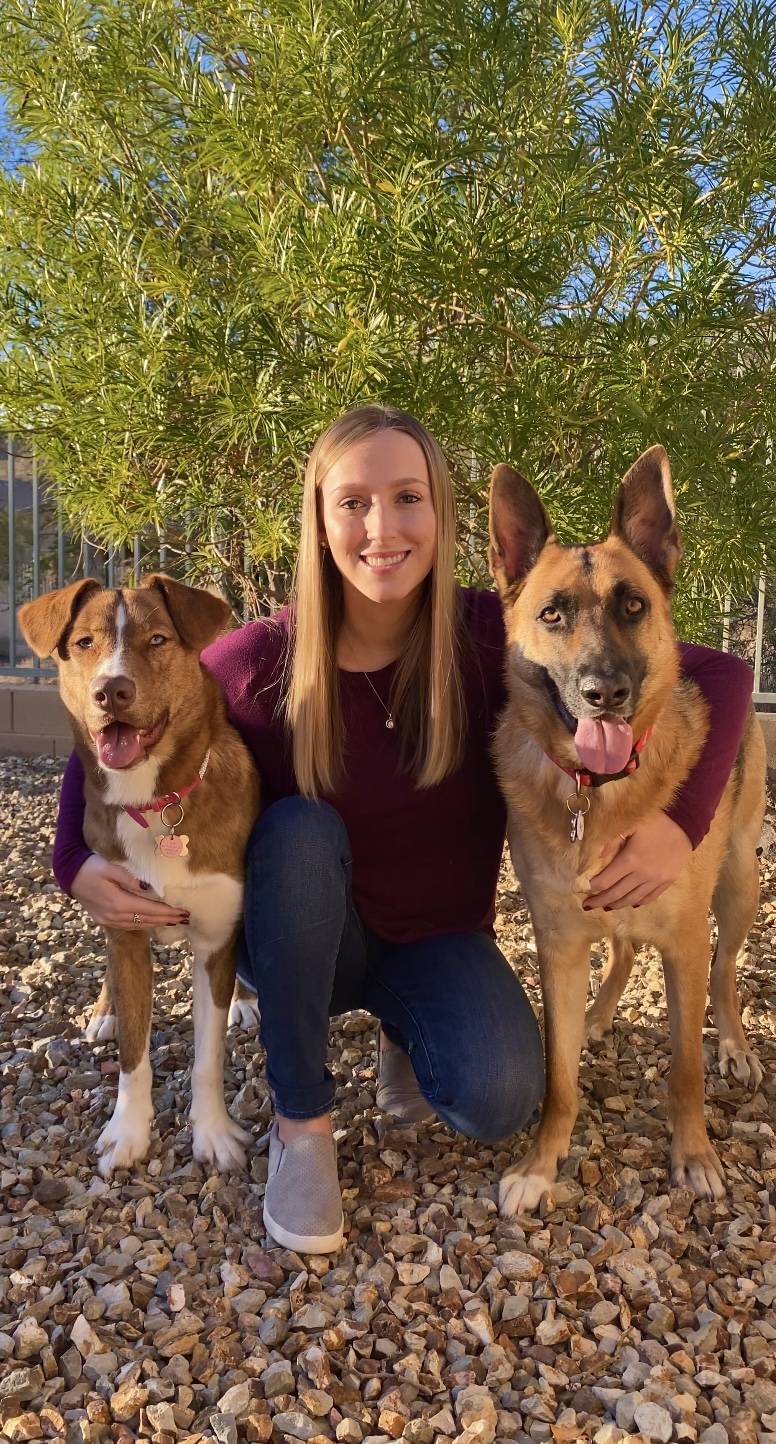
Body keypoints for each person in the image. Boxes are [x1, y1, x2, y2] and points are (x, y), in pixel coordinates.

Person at [53, 406, 754, 1253]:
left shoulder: (494, 627)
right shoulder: (259, 657)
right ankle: (301, 1125)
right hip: (313, 940)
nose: (382, 527)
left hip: (435, 940)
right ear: (318, 520)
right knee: (301, 833)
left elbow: (722, 671)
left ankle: (402, 1033)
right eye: (353, 502)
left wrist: (680, 824)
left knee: (498, 1097)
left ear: (443, 515)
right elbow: (124, 722)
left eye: (407, 497)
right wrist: (72, 859)